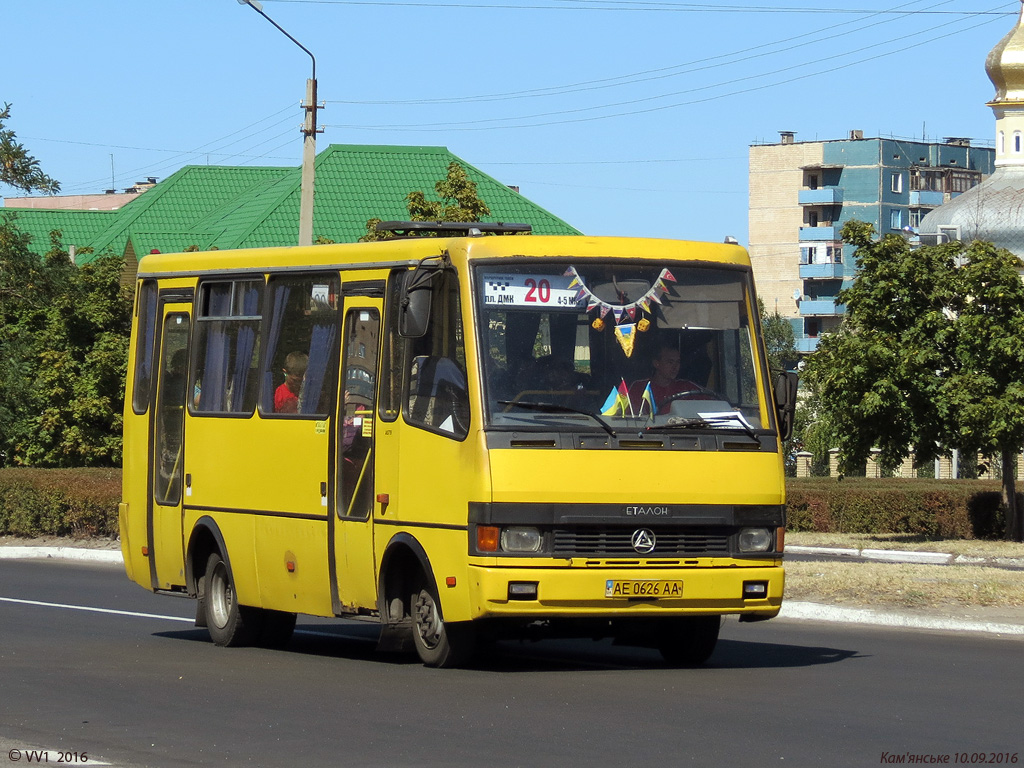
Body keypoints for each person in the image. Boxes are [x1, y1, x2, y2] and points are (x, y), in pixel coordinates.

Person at [629, 344, 710, 415]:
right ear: (656, 363)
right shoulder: (639, 387)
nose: (675, 367)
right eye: (670, 362)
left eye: (677, 362)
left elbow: (712, 404)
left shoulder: (687, 387)